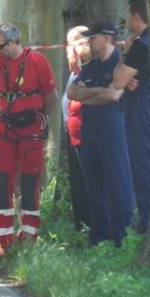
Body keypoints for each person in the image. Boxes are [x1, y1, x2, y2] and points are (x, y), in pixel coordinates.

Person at [0, 23, 58, 260]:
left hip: (31, 131)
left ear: (15, 41)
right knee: (2, 185)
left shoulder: (38, 61)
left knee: (31, 183)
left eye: (1, 46)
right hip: (6, 130)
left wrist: (41, 119)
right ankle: (4, 242)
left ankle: (29, 237)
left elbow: (51, 96)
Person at [68, 20, 135, 246]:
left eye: (92, 38)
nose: (89, 42)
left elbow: (114, 95)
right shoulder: (91, 66)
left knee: (118, 184)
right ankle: (98, 238)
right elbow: (72, 92)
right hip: (90, 133)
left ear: (106, 37)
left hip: (114, 131)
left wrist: (89, 95)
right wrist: (100, 94)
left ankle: (121, 238)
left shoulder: (120, 63)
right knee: (93, 187)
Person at [113, 0, 150, 233]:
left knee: (141, 168)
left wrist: (126, 52)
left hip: (140, 114)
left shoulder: (140, 45)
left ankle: (146, 225)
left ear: (136, 16)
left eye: (129, 14)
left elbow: (118, 80)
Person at [62, 26, 91, 230]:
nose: (69, 49)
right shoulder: (74, 71)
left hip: (86, 134)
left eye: (74, 43)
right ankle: (80, 223)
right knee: (77, 183)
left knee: (88, 182)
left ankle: (90, 223)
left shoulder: (89, 70)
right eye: (68, 44)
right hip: (71, 135)